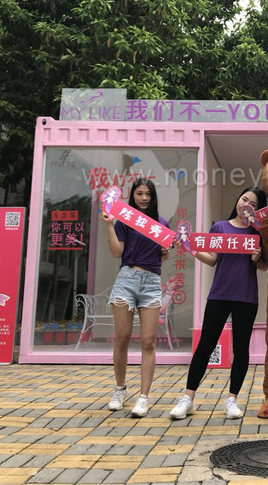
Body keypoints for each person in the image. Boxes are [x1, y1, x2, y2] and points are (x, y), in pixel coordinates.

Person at [170, 187, 268, 420]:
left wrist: (257, 259)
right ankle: (188, 398)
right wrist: (192, 249)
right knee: (205, 345)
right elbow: (212, 260)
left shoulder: (258, 232)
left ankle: (232, 399)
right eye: (244, 199)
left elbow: (264, 266)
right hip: (219, 295)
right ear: (238, 199)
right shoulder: (220, 227)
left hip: (246, 297)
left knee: (241, 350)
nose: (247, 205)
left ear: (258, 210)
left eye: (253, 204)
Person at [102, 179, 170, 418]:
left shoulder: (161, 224)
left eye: (148, 194)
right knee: (121, 338)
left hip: (151, 283)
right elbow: (116, 252)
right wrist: (110, 226)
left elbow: (163, 256)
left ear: (153, 197)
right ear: (132, 196)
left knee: (148, 342)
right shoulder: (125, 221)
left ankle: (143, 397)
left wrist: (165, 251)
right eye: (139, 193)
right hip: (127, 280)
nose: (144, 198)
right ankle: (119, 390)